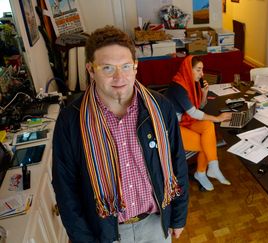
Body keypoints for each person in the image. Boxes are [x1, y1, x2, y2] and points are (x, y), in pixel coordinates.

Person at [52, 26, 189, 243]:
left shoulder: (161, 107)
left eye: (126, 66)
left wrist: (179, 217)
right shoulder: (70, 121)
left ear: (135, 67)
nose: (119, 77)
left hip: (155, 223)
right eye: (107, 68)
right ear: (90, 69)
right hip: (105, 233)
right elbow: (66, 190)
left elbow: (177, 163)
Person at [164, 55, 231, 191]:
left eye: (202, 70)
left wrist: (204, 93)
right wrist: (217, 118)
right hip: (170, 127)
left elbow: (199, 106)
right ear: (189, 69)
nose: (202, 74)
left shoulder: (191, 82)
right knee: (206, 143)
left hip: (184, 120)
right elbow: (194, 113)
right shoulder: (179, 86)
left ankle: (210, 168)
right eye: (199, 70)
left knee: (208, 126)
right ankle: (202, 172)